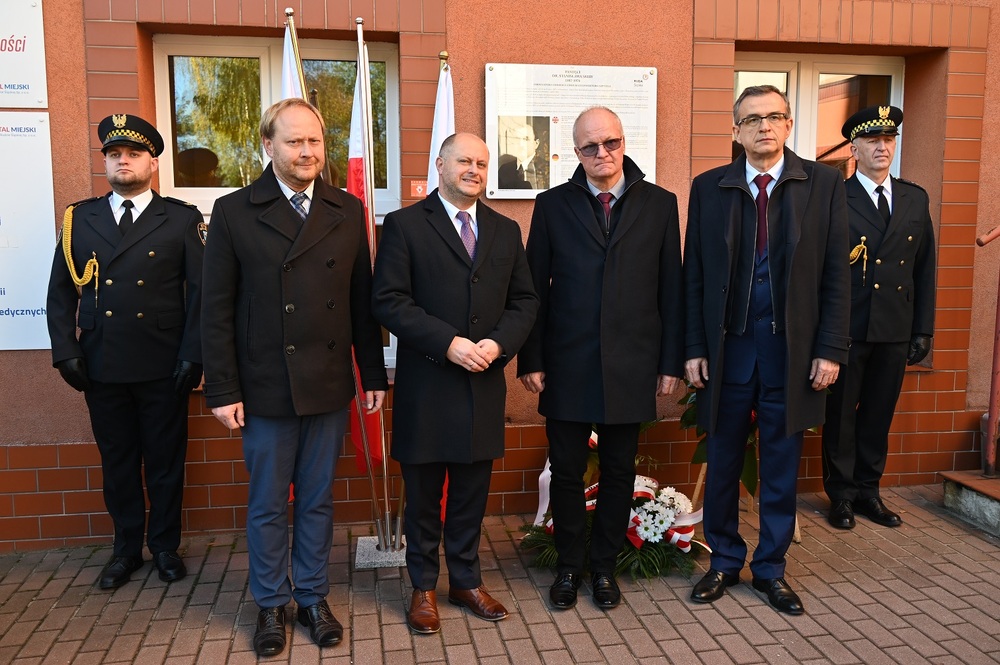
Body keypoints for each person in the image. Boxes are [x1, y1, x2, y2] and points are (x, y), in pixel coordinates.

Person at [200, 98, 388, 657]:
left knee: (316, 500)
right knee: (266, 503)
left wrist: (372, 373)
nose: (307, 152)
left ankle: (311, 596)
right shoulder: (234, 211)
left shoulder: (346, 208)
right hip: (264, 385)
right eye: (294, 141)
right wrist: (223, 388)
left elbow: (360, 301)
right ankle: (269, 602)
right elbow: (215, 309)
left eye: (314, 141)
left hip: (327, 381)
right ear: (268, 145)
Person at [684, 85, 850, 616]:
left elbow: (836, 275)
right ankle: (724, 561)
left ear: (789, 124)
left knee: (781, 467)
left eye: (775, 116)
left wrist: (829, 349)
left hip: (790, 353)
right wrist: (694, 346)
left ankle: (772, 569)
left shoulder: (823, 183)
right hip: (728, 353)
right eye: (752, 119)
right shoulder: (709, 187)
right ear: (736, 130)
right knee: (723, 462)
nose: (764, 126)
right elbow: (694, 275)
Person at [518, 107, 685, 611]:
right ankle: (570, 567)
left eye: (610, 142)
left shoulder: (660, 204)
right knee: (567, 472)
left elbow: (671, 289)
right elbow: (533, 288)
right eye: (590, 146)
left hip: (632, 363)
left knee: (618, 472)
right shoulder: (551, 205)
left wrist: (670, 363)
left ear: (623, 142)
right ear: (576, 152)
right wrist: (531, 357)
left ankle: (605, 568)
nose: (602, 153)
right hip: (567, 363)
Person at [372, 133, 538, 634]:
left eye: (482, 163)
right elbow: (389, 300)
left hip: (481, 384)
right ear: (440, 164)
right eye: (464, 160)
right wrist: (447, 343)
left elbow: (525, 301)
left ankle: (465, 581)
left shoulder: (504, 229)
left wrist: (498, 344)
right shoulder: (404, 225)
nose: (474, 170)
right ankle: (423, 586)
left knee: (470, 495)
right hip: (428, 384)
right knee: (424, 498)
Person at [46, 114, 204, 590]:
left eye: (134, 154)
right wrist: (65, 350)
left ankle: (165, 547)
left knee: (164, 461)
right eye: (114, 154)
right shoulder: (80, 219)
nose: (123, 161)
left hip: (163, 363)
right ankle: (125, 550)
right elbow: (60, 292)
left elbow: (202, 293)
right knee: (117, 462)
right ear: (106, 164)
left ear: (152, 163)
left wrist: (193, 354)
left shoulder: (181, 218)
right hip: (102, 362)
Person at [822, 105, 936, 530]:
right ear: (854, 149)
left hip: (893, 326)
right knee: (840, 416)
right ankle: (841, 495)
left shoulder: (914, 197)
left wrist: (922, 328)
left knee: (878, 414)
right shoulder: (836, 196)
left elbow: (925, 267)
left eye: (888, 140)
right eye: (873, 141)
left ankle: (869, 491)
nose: (882, 147)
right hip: (848, 327)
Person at [497, 116, 541, 189]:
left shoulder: (546, 168)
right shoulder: (504, 170)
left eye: (526, 139)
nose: (520, 144)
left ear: (536, 143)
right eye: (517, 139)